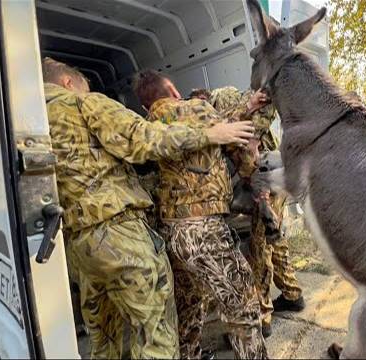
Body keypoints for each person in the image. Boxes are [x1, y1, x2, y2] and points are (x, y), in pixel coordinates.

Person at [42, 58, 255, 359]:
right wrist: (212, 135)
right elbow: (143, 140)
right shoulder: (83, 104)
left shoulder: (31, 123)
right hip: (119, 234)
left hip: (79, 247)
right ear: (68, 83)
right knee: (155, 335)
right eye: (83, 87)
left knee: (104, 342)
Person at [133, 70, 269, 359]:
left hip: (169, 233)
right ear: (172, 89)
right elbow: (228, 134)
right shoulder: (195, 107)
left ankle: (189, 354)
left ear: (146, 105)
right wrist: (249, 108)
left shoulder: (146, 125)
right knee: (243, 306)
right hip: (203, 229)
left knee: (188, 305)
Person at [211, 87, 305, 339]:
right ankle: (292, 294)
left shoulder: (239, 128)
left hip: (265, 186)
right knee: (275, 241)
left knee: (260, 248)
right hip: (276, 183)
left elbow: (249, 163)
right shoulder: (253, 119)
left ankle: (263, 316)